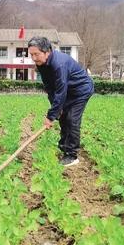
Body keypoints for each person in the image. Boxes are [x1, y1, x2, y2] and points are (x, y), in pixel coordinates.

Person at [28, 36, 94, 167]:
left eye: (36, 54)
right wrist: (56, 108)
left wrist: (51, 116)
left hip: (81, 90)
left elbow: (60, 90)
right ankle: (64, 147)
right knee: (63, 117)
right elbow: (50, 87)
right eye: (31, 54)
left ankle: (71, 155)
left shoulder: (59, 64)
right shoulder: (42, 63)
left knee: (71, 119)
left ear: (47, 52)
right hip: (67, 90)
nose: (34, 58)